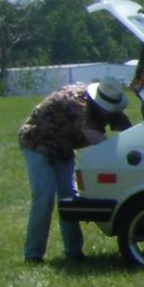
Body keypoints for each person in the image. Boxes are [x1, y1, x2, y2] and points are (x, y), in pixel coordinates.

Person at [18, 78, 129, 262]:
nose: (110, 114)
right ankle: (33, 255)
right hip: (37, 143)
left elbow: (128, 131)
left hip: (64, 148)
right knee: (44, 197)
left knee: (69, 198)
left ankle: (74, 252)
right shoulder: (78, 105)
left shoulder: (108, 103)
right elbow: (97, 140)